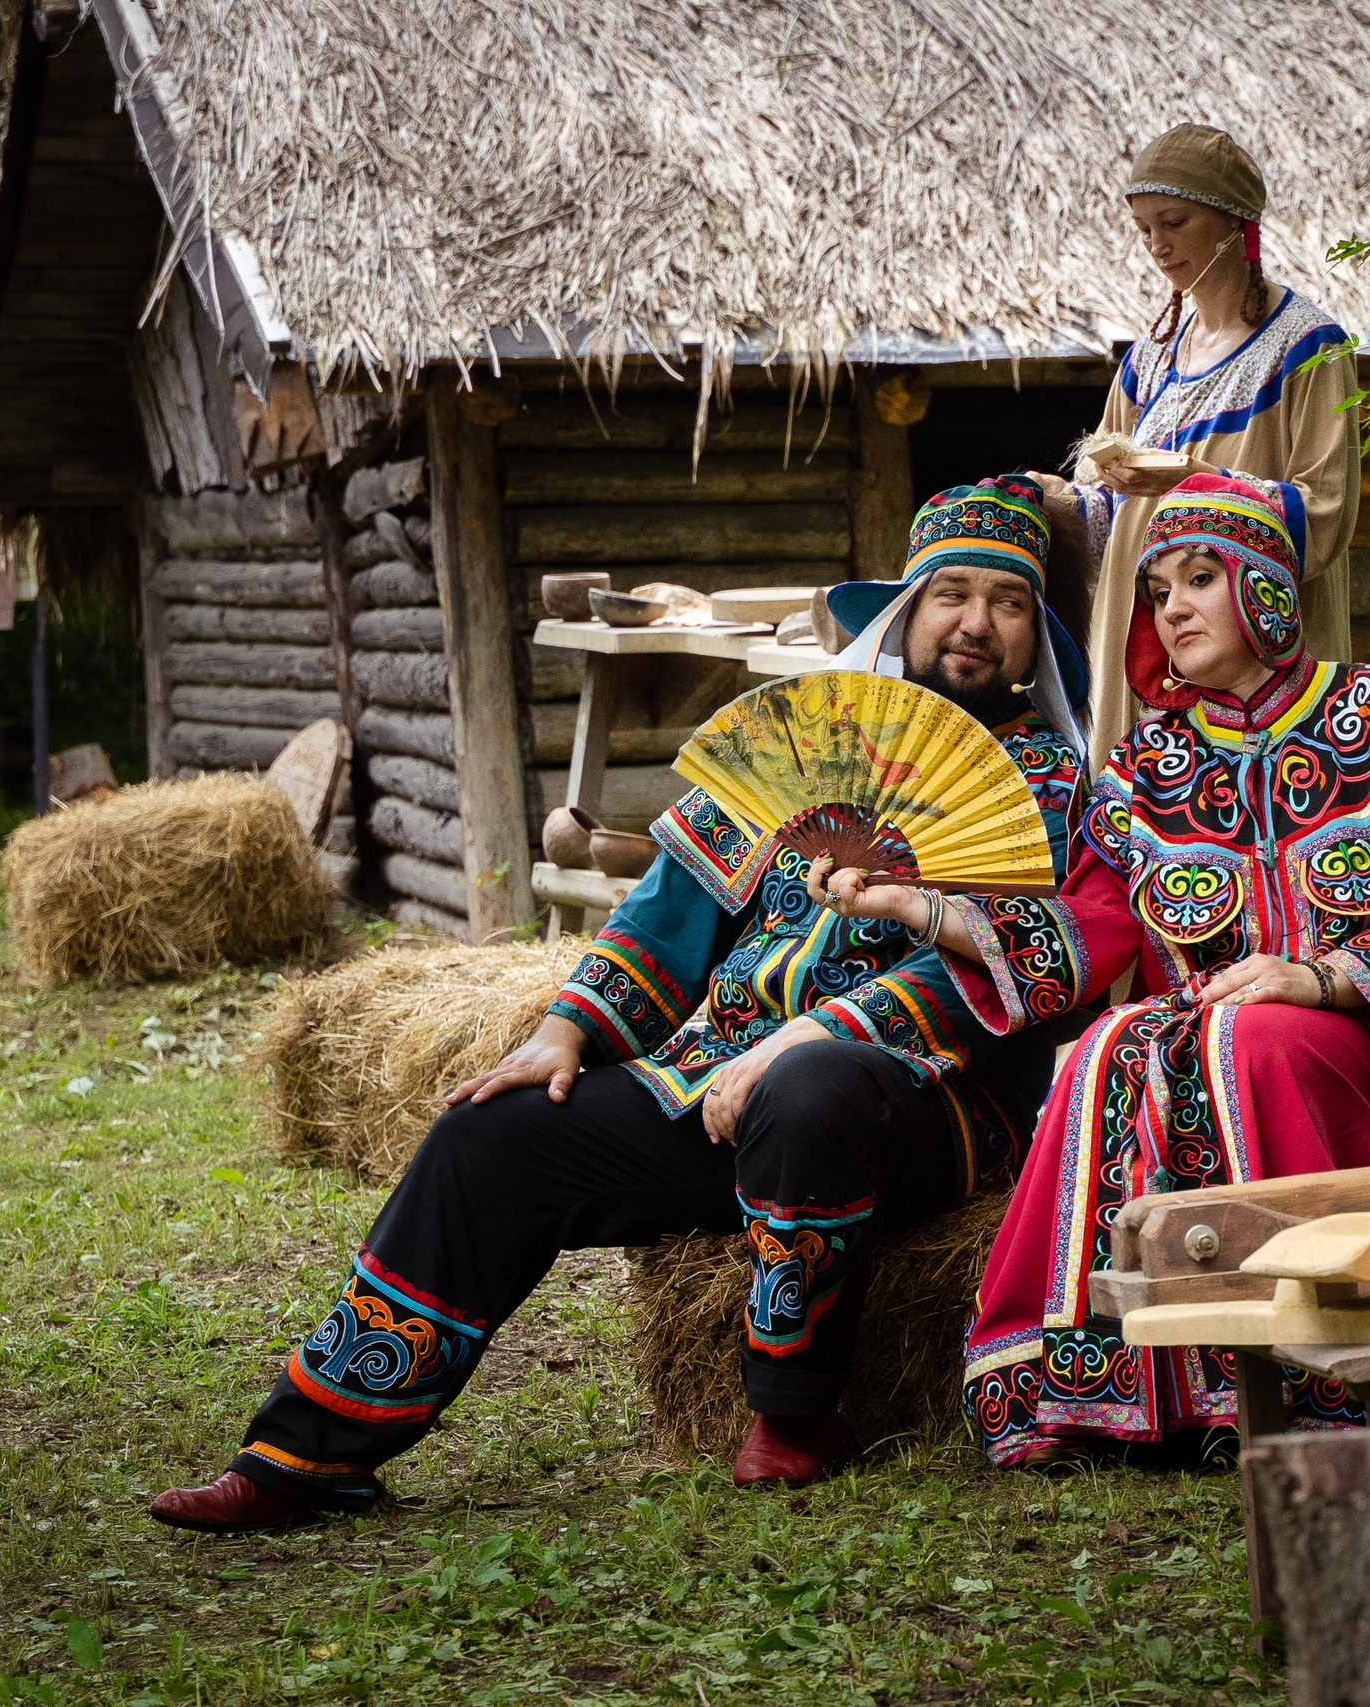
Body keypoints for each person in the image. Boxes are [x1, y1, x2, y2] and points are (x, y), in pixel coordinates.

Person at [141, 476, 1091, 1531]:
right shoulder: (809, 748)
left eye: (1007, 603)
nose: (976, 623)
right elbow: (668, 912)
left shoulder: (1056, 789)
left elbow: (1035, 968)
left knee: (812, 1086)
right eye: (951, 593)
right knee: (490, 1135)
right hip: (719, 1079)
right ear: (905, 610)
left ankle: (792, 1415)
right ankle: (304, 1456)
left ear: (1033, 635)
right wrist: (565, 1031)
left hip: (931, 1108)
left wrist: (804, 1042)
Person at [811, 473, 1370, 1464]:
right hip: (1219, 1030)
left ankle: (1300, 1377)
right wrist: (915, 907)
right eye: (1157, 589)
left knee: (1243, 1035)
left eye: (1199, 577)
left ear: (1267, 585)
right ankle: (1096, 1393)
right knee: (1105, 1044)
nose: (1171, 605)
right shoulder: (1143, 769)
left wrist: (1318, 979)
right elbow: (1088, 934)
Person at [1030, 123, 1362, 763]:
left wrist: (1193, 479)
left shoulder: (1308, 347)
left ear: (1235, 222)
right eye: (1143, 228)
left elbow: (1324, 513)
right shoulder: (1149, 358)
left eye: (1174, 222)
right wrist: (1062, 503)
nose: (1156, 244)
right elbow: (1111, 515)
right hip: (1142, 628)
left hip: (1253, 647)